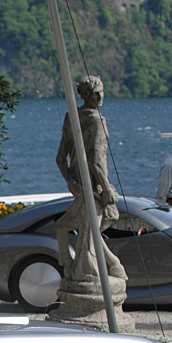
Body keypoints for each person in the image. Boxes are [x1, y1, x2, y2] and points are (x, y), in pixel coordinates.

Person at [54, 76, 127, 281]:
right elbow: (95, 160)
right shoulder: (96, 120)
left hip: (78, 181)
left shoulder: (72, 117)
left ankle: (75, 264)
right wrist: (106, 188)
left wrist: (71, 182)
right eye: (100, 92)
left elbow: (60, 158)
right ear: (95, 95)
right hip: (93, 183)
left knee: (78, 225)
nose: (101, 95)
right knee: (92, 228)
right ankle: (91, 270)